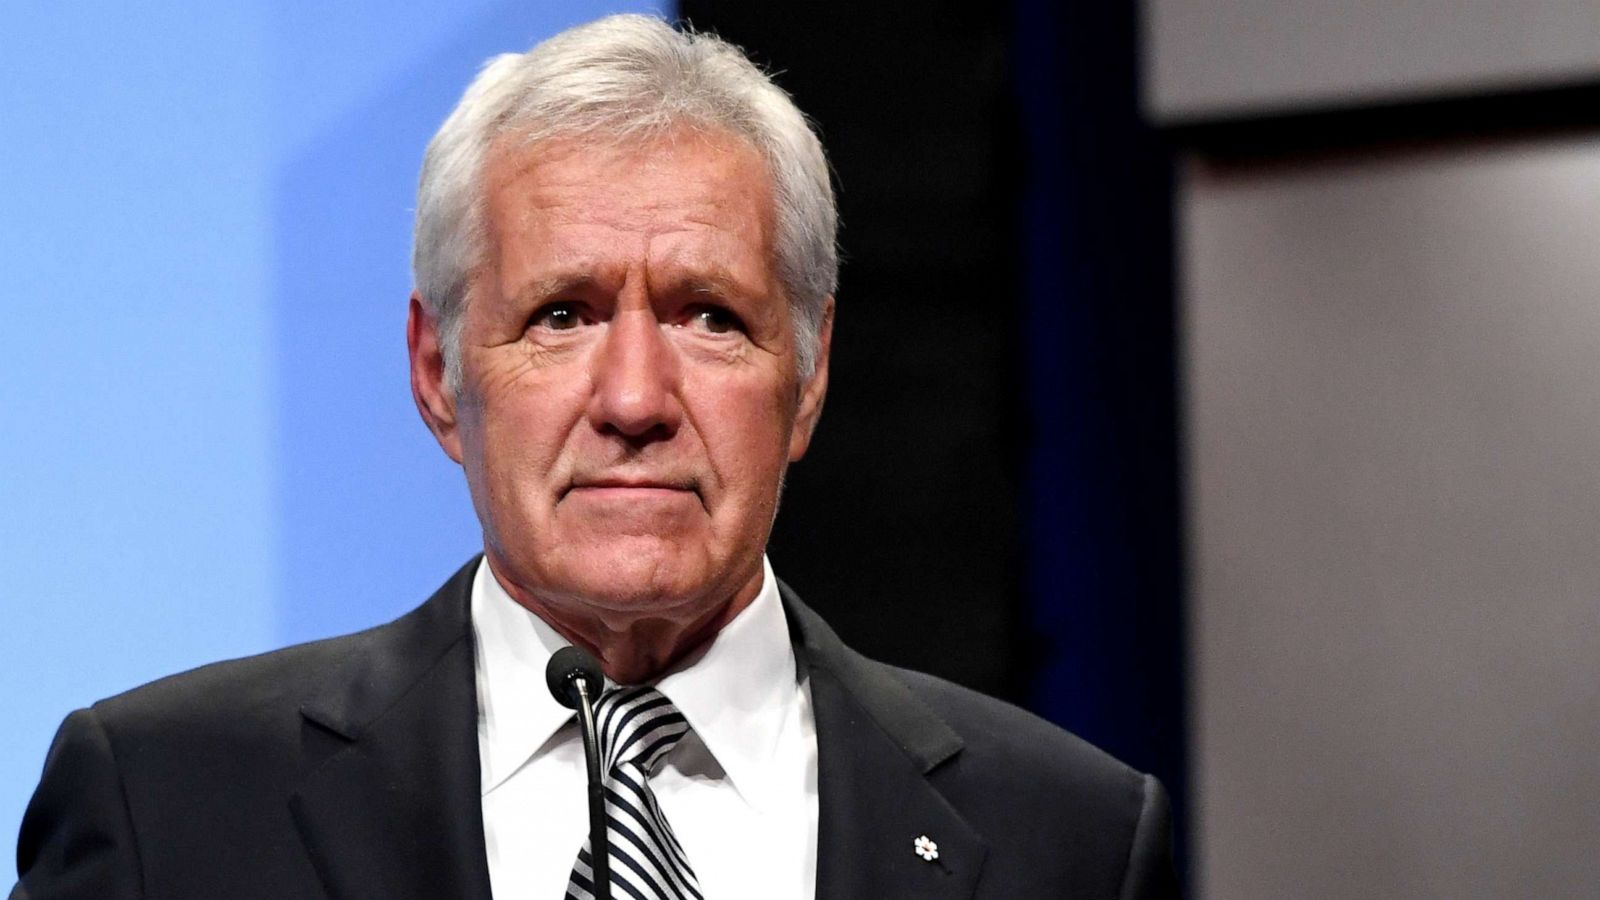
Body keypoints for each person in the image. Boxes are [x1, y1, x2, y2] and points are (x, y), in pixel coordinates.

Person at [12, 14, 1179, 900]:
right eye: (561, 315)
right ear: (437, 371)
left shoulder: (1065, 837)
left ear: (810, 373)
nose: (634, 399)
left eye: (708, 316)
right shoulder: (168, 809)